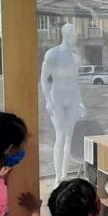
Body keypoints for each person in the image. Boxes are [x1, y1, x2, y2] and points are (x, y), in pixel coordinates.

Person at [39, 23, 84, 185]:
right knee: (61, 135)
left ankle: (64, 175)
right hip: (56, 97)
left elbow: (75, 81)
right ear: (66, 35)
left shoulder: (75, 58)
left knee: (69, 137)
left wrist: (81, 103)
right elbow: (44, 79)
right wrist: (48, 101)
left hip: (72, 98)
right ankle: (57, 177)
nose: (76, 38)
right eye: (74, 35)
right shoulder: (52, 54)